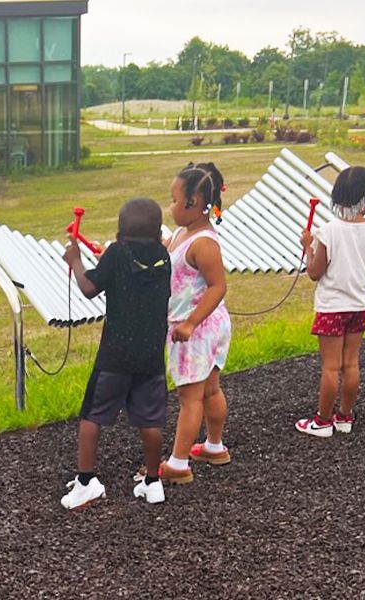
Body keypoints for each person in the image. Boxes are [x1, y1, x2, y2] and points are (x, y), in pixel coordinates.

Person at [61, 198, 171, 508]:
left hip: (114, 356)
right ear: (157, 231)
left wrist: (76, 261)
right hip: (151, 357)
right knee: (150, 421)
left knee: (92, 416)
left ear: (120, 232)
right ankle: (152, 482)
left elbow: (88, 288)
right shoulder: (163, 256)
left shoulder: (117, 253)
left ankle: (85, 482)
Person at [295, 166, 365, 437]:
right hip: (360, 306)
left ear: (337, 198)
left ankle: (322, 422)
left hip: (332, 307)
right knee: (351, 364)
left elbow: (315, 272)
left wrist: (308, 245)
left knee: (330, 366)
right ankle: (345, 417)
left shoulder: (329, 231)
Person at [160, 162, 232, 484]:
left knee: (190, 397)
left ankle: (178, 463)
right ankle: (214, 446)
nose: (170, 206)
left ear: (192, 202)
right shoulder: (181, 233)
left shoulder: (204, 243)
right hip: (208, 325)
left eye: (174, 200)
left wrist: (189, 323)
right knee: (210, 389)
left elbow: (218, 286)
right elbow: (167, 256)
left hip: (197, 328)